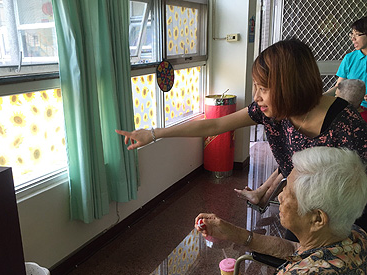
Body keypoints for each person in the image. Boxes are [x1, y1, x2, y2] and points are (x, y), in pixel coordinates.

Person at [116, 38, 367, 228]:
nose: (256, 97)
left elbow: (356, 193)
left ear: (289, 87)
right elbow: (213, 126)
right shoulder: (274, 110)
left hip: (336, 222)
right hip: (299, 210)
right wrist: (154, 133)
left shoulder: (346, 126)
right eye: (255, 87)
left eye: (263, 89)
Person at [131, 146, 367, 275]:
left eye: (290, 194)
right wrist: (234, 233)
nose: (280, 195)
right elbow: (297, 250)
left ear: (317, 218)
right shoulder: (353, 236)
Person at [325, 17, 367, 111]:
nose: (353, 38)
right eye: (352, 34)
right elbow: (339, 87)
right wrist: (321, 98)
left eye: (357, 35)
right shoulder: (349, 58)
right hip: (351, 109)